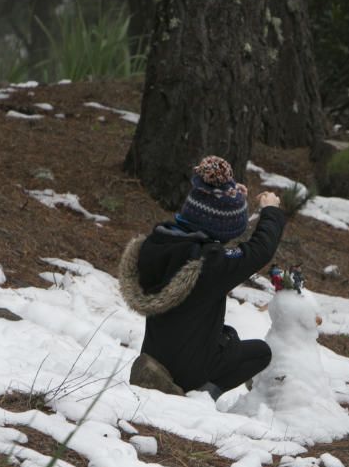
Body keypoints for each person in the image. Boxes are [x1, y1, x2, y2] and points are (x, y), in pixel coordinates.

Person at [119, 155, 286, 400]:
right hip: (190, 370)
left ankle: (156, 373)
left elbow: (216, 223)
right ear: (221, 229)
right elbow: (260, 249)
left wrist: (230, 199)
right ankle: (196, 396)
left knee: (226, 335)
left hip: (154, 354)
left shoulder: (158, 243)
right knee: (260, 352)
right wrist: (270, 211)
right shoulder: (209, 264)